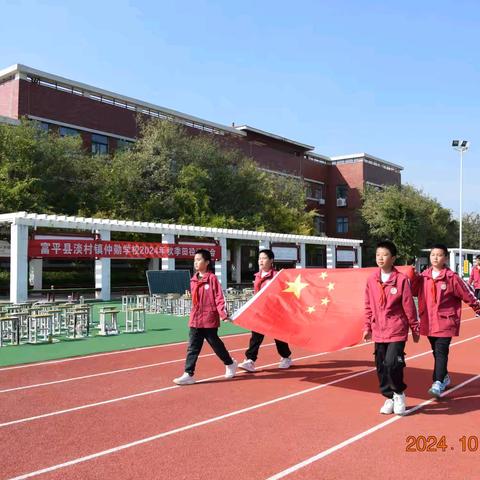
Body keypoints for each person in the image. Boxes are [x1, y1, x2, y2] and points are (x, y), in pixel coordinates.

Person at [413, 244, 480, 398]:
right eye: (433, 255)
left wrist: (477, 308)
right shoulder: (423, 277)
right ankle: (444, 376)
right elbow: (412, 291)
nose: (435, 257)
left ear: (445, 258)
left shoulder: (452, 277)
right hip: (428, 322)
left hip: (445, 321)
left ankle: (437, 383)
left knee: (442, 351)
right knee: (436, 352)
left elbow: (467, 294)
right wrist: (412, 277)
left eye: (439, 255)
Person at [363, 241, 420, 415]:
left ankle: (399, 393)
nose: (380, 258)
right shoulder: (372, 279)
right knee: (380, 366)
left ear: (393, 258)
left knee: (392, 363)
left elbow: (409, 305)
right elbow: (367, 305)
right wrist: (367, 326)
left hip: (396, 329)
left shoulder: (401, 280)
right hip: (379, 330)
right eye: (378, 254)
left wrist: (414, 328)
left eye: (385, 254)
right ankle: (389, 397)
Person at [173, 249, 237, 385]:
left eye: (199, 260)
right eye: (195, 260)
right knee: (192, 347)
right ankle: (188, 373)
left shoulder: (212, 279)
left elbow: (219, 298)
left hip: (209, 319)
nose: (196, 262)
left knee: (216, 345)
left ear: (207, 262)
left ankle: (230, 363)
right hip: (195, 319)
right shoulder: (193, 279)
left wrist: (223, 314)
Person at [238, 249, 293, 372]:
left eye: (264, 258)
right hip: (261, 311)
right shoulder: (257, 276)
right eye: (259, 258)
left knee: (278, 336)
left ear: (271, 260)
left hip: (275, 312)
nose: (260, 261)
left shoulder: (277, 276)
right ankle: (250, 360)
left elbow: (283, 292)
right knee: (256, 336)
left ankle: (286, 357)